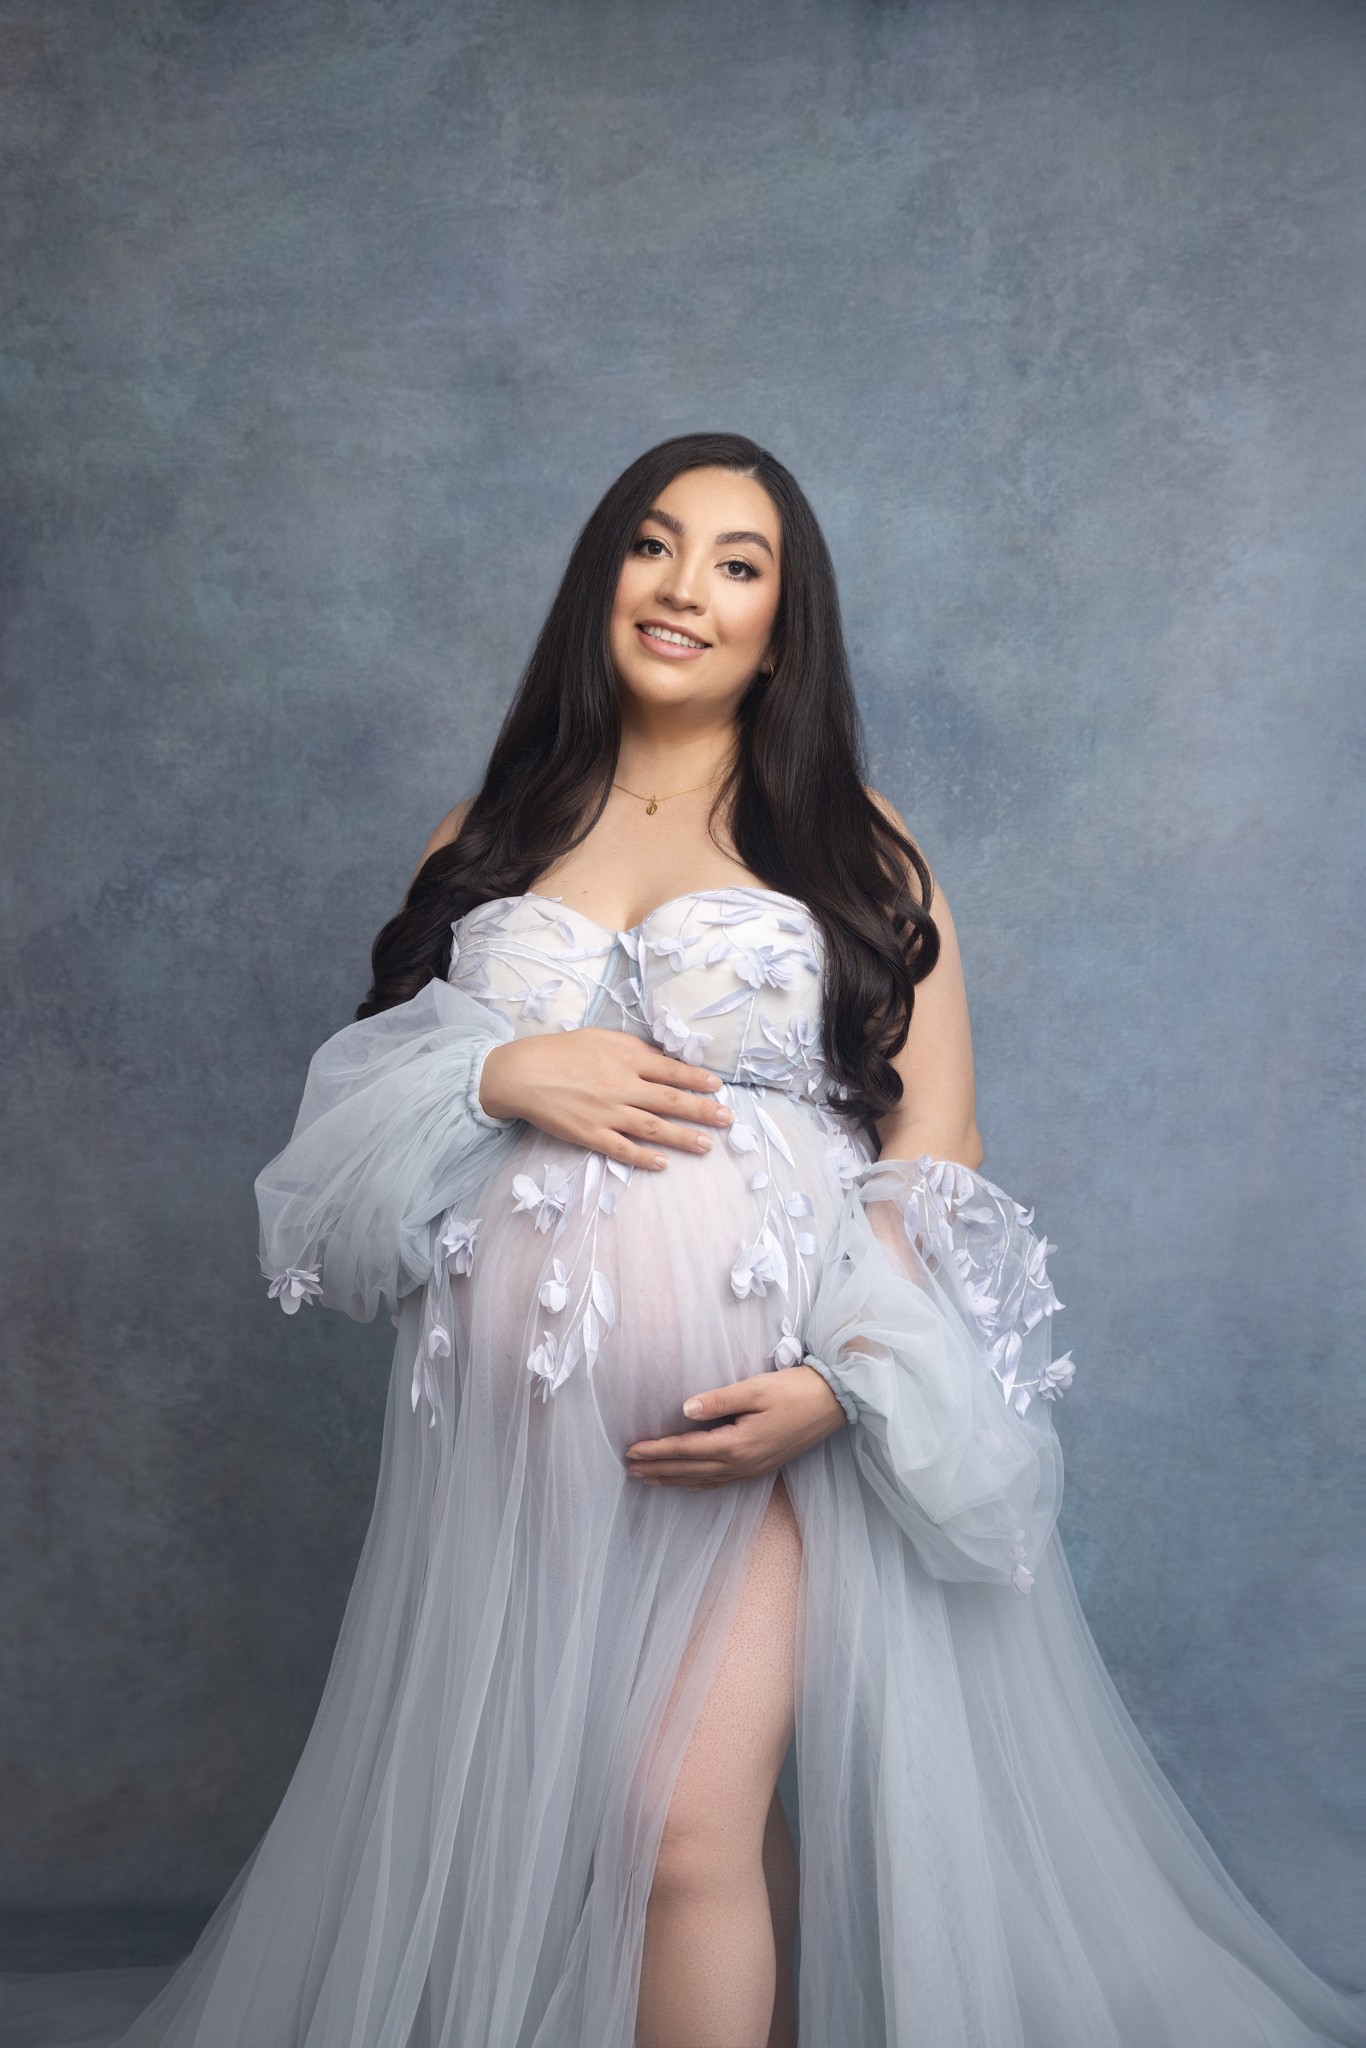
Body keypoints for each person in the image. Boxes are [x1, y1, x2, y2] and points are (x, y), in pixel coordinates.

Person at [4, 433, 1361, 2048]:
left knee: (668, 1822)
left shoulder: (854, 845)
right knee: (632, 1825)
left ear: (782, 629)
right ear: (603, 577)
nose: (685, 589)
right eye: (653, 545)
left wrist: (844, 1384)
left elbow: (936, 1148)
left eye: (737, 564)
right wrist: (504, 1070)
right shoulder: (485, 836)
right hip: (513, 1447)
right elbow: (356, 1137)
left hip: (760, 1427)